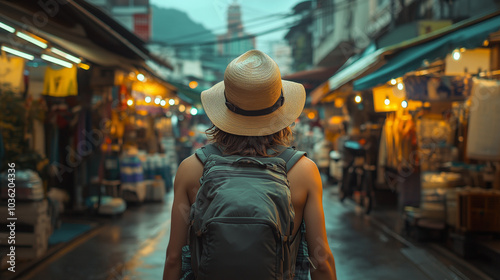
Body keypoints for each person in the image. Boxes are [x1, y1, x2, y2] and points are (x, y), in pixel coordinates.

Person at [163, 50, 337, 280]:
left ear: (224, 110)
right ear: (281, 110)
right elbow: (321, 260)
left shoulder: (191, 169)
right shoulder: (303, 171)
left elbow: (174, 258)